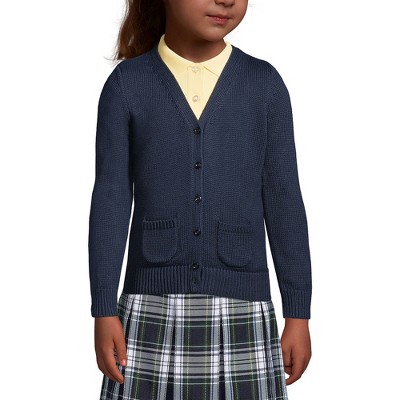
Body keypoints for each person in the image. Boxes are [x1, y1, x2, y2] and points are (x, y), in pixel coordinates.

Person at [88, 0, 313, 399]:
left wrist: (298, 312)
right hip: (150, 304)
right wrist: (103, 308)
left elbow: (284, 201)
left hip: (244, 306)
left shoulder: (264, 85)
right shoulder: (128, 85)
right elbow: (111, 198)